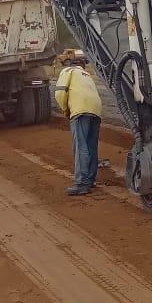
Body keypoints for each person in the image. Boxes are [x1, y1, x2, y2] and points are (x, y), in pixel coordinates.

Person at [54, 50, 102, 196]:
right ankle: (90, 180)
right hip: (96, 110)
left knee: (80, 147)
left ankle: (81, 183)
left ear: (68, 63)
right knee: (91, 146)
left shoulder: (68, 71)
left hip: (80, 110)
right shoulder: (87, 75)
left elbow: (60, 93)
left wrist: (65, 109)